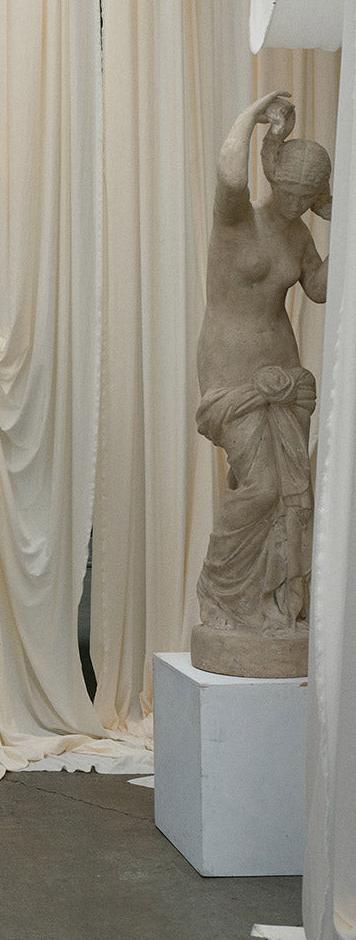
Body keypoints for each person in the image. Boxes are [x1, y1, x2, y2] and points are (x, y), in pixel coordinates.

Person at [194, 91, 330, 652]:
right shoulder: (237, 221)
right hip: (231, 373)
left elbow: (319, 288)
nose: (296, 203)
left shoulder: (299, 234)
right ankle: (220, 589)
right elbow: (229, 174)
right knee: (262, 486)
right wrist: (253, 116)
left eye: (307, 195)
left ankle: (271, 603)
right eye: (290, 189)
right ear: (274, 176)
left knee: (290, 496)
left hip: (284, 375)